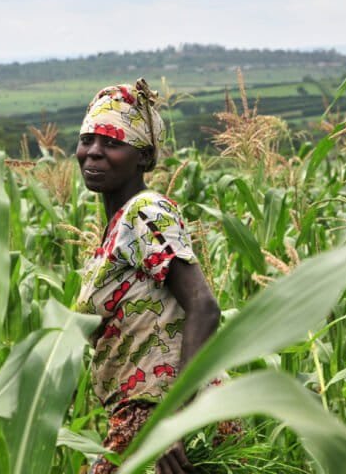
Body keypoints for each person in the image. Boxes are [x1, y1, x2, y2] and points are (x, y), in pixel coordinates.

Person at [75, 79, 221, 474]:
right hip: (144, 417)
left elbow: (204, 307)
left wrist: (172, 421)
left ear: (142, 157)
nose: (94, 153)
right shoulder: (120, 226)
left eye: (112, 143)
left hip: (161, 419)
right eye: (88, 139)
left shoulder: (146, 211)